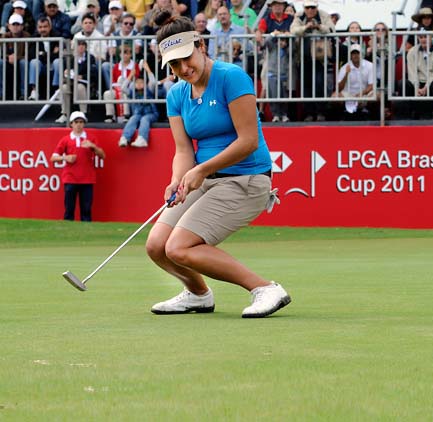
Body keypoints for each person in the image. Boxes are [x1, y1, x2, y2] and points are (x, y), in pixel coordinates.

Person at [145, 11, 291, 317]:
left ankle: (265, 288)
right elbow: (184, 150)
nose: (183, 69)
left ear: (200, 45)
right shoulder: (176, 94)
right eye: (174, 64)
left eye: (187, 58)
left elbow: (248, 140)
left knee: (179, 247)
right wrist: (178, 179)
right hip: (208, 179)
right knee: (157, 246)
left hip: (247, 179)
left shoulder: (230, 77)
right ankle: (198, 295)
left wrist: (200, 170)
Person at [50, 111, 105, 222]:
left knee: (86, 211)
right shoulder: (66, 139)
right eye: (76, 122)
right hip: (70, 178)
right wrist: (66, 158)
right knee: (69, 210)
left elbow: (102, 155)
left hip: (87, 179)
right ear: (71, 124)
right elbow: (53, 158)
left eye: (81, 122)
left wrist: (92, 146)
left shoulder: (90, 138)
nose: (79, 125)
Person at [290, 0, 334, 121]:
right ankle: (309, 113)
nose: (310, 10)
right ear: (304, 8)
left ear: (317, 7)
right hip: (303, 58)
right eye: (308, 8)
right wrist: (306, 27)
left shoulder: (324, 15)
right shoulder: (299, 15)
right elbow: (293, 30)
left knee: (319, 84)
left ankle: (320, 112)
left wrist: (318, 26)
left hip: (319, 57)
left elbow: (331, 29)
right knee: (306, 86)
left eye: (313, 8)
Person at [332, 43, 375, 120]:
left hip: (364, 94)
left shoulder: (370, 65)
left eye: (357, 53)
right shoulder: (344, 67)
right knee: (334, 96)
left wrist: (361, 94)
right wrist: (346, 74)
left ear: (361, 54)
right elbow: (338, 88)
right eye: (353, 53)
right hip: (348, 95)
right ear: (350, 55)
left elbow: (371, 86)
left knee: (377, 95)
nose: (355, 55)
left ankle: (372, 116)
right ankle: (340, 116)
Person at [118, 72, 159, 147]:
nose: (139, 84)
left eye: (141, 82)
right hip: (138, 114)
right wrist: (130, 75)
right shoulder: (132, 93)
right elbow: (123, 88)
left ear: (145, 84)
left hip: (151, 114)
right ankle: (125, 137)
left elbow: (153, 82)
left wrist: (147, 69)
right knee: (133, 118)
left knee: (144, 119)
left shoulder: (149, 91)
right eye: (137, 82)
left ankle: (142, 138)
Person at [0, 13, 30, 100]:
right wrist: (8, 57)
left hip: (21, 62)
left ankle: (24, 94)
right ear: (9, 26)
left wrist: (16, 58)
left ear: (22, 26)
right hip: (7, 63)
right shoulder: (4, 37)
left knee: (23, 63)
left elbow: (29, 54)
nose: (15, 26)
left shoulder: (27, 36)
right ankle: (1, 94)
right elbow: (1, 53)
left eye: (18, 24)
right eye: (13, 24)